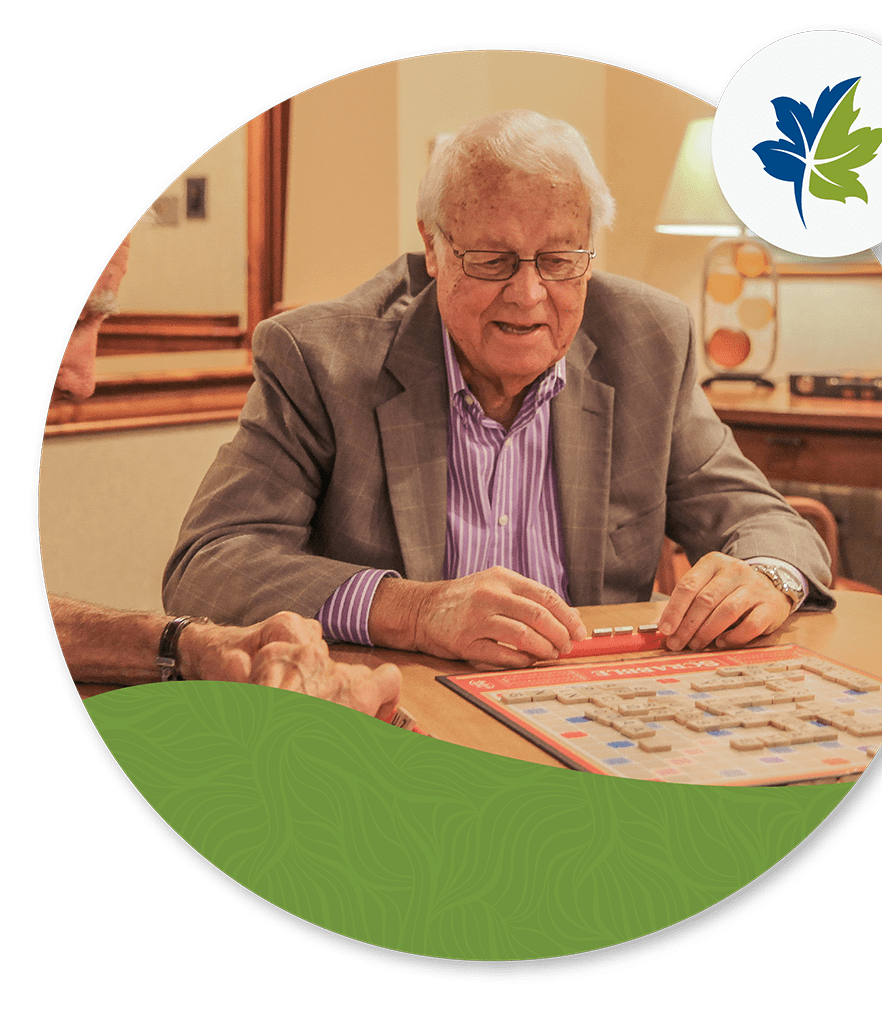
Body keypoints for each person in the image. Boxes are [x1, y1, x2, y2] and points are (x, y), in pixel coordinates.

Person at [163, 109, 834, 671]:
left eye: (560, 258)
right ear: (433, 248)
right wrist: (418, 611)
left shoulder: (648, 342)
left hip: (594, 708)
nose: (529, 294)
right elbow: (209, 565)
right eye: (492, 260)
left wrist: (768, 575)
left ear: (590, 251)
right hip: (406, 718)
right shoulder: (321, 359)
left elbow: (766, 520)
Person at [46, 236, 401, 720]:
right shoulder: (317, 353)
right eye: (76, 314)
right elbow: (210, 561)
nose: (83, 382)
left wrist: (190, 645)